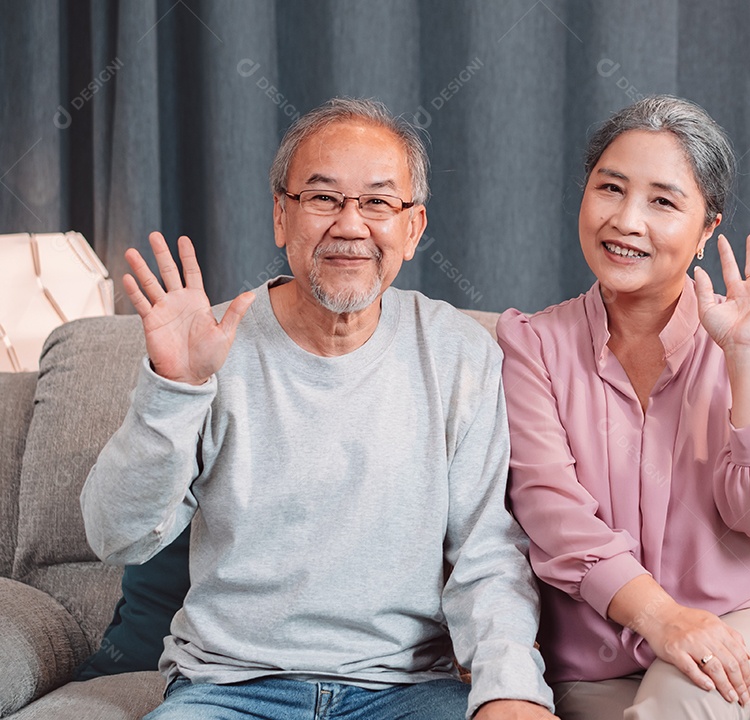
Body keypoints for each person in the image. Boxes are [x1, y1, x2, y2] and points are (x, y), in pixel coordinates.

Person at [80, 97, 556, 720]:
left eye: (379, 202)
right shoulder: (212, 346)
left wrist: (511, 689)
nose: (350, 225)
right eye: (323, 198)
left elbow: (487, 554)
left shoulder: (460, 353)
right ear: (282, 216)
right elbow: (115, 536)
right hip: (230, 689)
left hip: (408, 692)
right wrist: (174, 389)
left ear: (412, 229)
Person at [497, 95, 750, 720]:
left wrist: (744, 357)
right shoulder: (532, 345)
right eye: (610, 188)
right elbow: (551, 512)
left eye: (662, 201)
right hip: (595, 667)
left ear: (707, 227)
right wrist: (661, 619)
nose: (627, 221)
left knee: (684, 704)